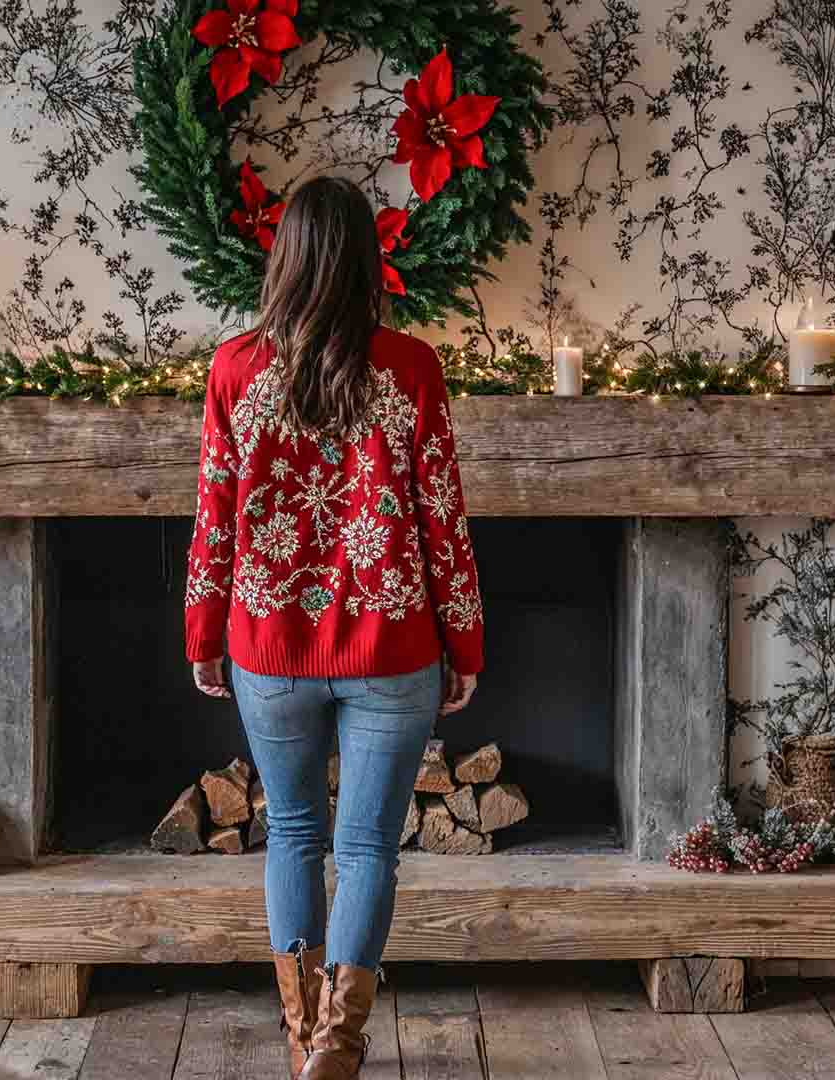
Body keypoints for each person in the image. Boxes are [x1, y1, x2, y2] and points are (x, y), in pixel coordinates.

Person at [183, 175, 485, 1079]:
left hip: (268, 649)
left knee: (294, 836)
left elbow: (215, 520)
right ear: (368, 259)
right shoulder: (412, 367)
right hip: (393, 649)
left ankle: (301, 1043)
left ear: (284, 259)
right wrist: (464, 645)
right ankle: (337, 1051)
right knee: (363, 849)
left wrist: (202, 637)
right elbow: (443, 518)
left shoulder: (235, 368)